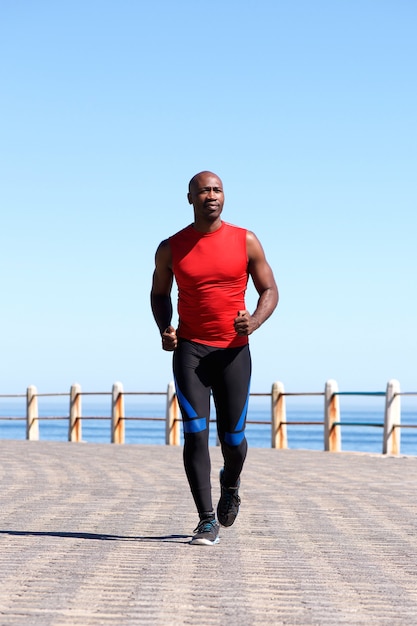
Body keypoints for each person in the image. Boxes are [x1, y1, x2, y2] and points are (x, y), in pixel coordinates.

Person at [150, 171, 278, 546]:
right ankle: (207, 520)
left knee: (233, 440)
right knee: (194, 432)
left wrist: (252, 321)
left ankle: (231, 482)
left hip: (233, 353)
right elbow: (159, 294)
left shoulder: (245, 240)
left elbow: (269, 288)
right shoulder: (171, 247)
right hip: (191, 351)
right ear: (190, 198)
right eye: (204, 190)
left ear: (225, 197)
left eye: (217, 189)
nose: (211, 195)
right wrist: (165, 327)